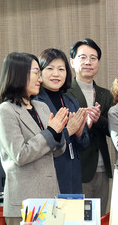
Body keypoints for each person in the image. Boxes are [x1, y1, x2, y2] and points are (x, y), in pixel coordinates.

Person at [0, 52, 68, 225]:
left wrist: (58, 135)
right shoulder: (5, 111)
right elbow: (20, 154)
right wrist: (51, 132)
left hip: (50, 199)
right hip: (24, 203)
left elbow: (57, 150)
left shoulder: (41, 107)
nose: (40, 79)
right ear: (19, 74)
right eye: (36, 73)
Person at [66, 38, 113, 215]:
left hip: (102, 168)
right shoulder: (65, 93)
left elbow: (113, 130)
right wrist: (83, 124)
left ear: (98, 63)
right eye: (83, 57)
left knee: (100, 221)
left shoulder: (105, 94)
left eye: (93, 58)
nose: (88, 62)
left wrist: (98, 119)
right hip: (77, 168)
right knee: (79, 221)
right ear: (72, 62)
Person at [34, 48, 89, 194]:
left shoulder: (71, 101)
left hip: (73, 170)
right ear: (39, 72)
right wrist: (68, 131)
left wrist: (79, 133)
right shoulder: (35, 102)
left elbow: (84, 143)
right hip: (50, 170)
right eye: (50, 68)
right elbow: (41, 139)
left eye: (61, 69)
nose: (56, 74)